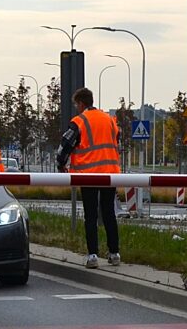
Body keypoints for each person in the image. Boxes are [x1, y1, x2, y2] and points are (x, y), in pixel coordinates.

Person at [56, 87, 121, 269]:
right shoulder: (109, 120)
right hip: (110, 173)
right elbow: (117, 138)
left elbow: (65, 145)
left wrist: (61, 164)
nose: (76, 107)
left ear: (81, 103)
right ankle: (114, 253)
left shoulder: (80, 121)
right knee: (109, 213)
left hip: (89, 174)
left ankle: (93, 255)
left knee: (90, 215)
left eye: (76, 104)